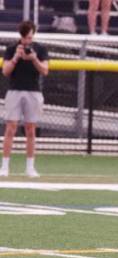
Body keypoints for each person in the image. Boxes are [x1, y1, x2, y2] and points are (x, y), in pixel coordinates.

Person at [1, 20, 49, 178]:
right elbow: (6, 72)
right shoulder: (11, 49)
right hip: (14, 91)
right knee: (10, 128)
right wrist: (16, 57)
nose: (27, 41)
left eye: (30, 37)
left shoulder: (40, 49)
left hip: (33, 92)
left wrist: (34, 59)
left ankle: (30, 167)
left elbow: (45, 71)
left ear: (33, 35)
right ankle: (5, 166)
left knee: (30, 130)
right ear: (20, 35)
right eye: (25, 37)